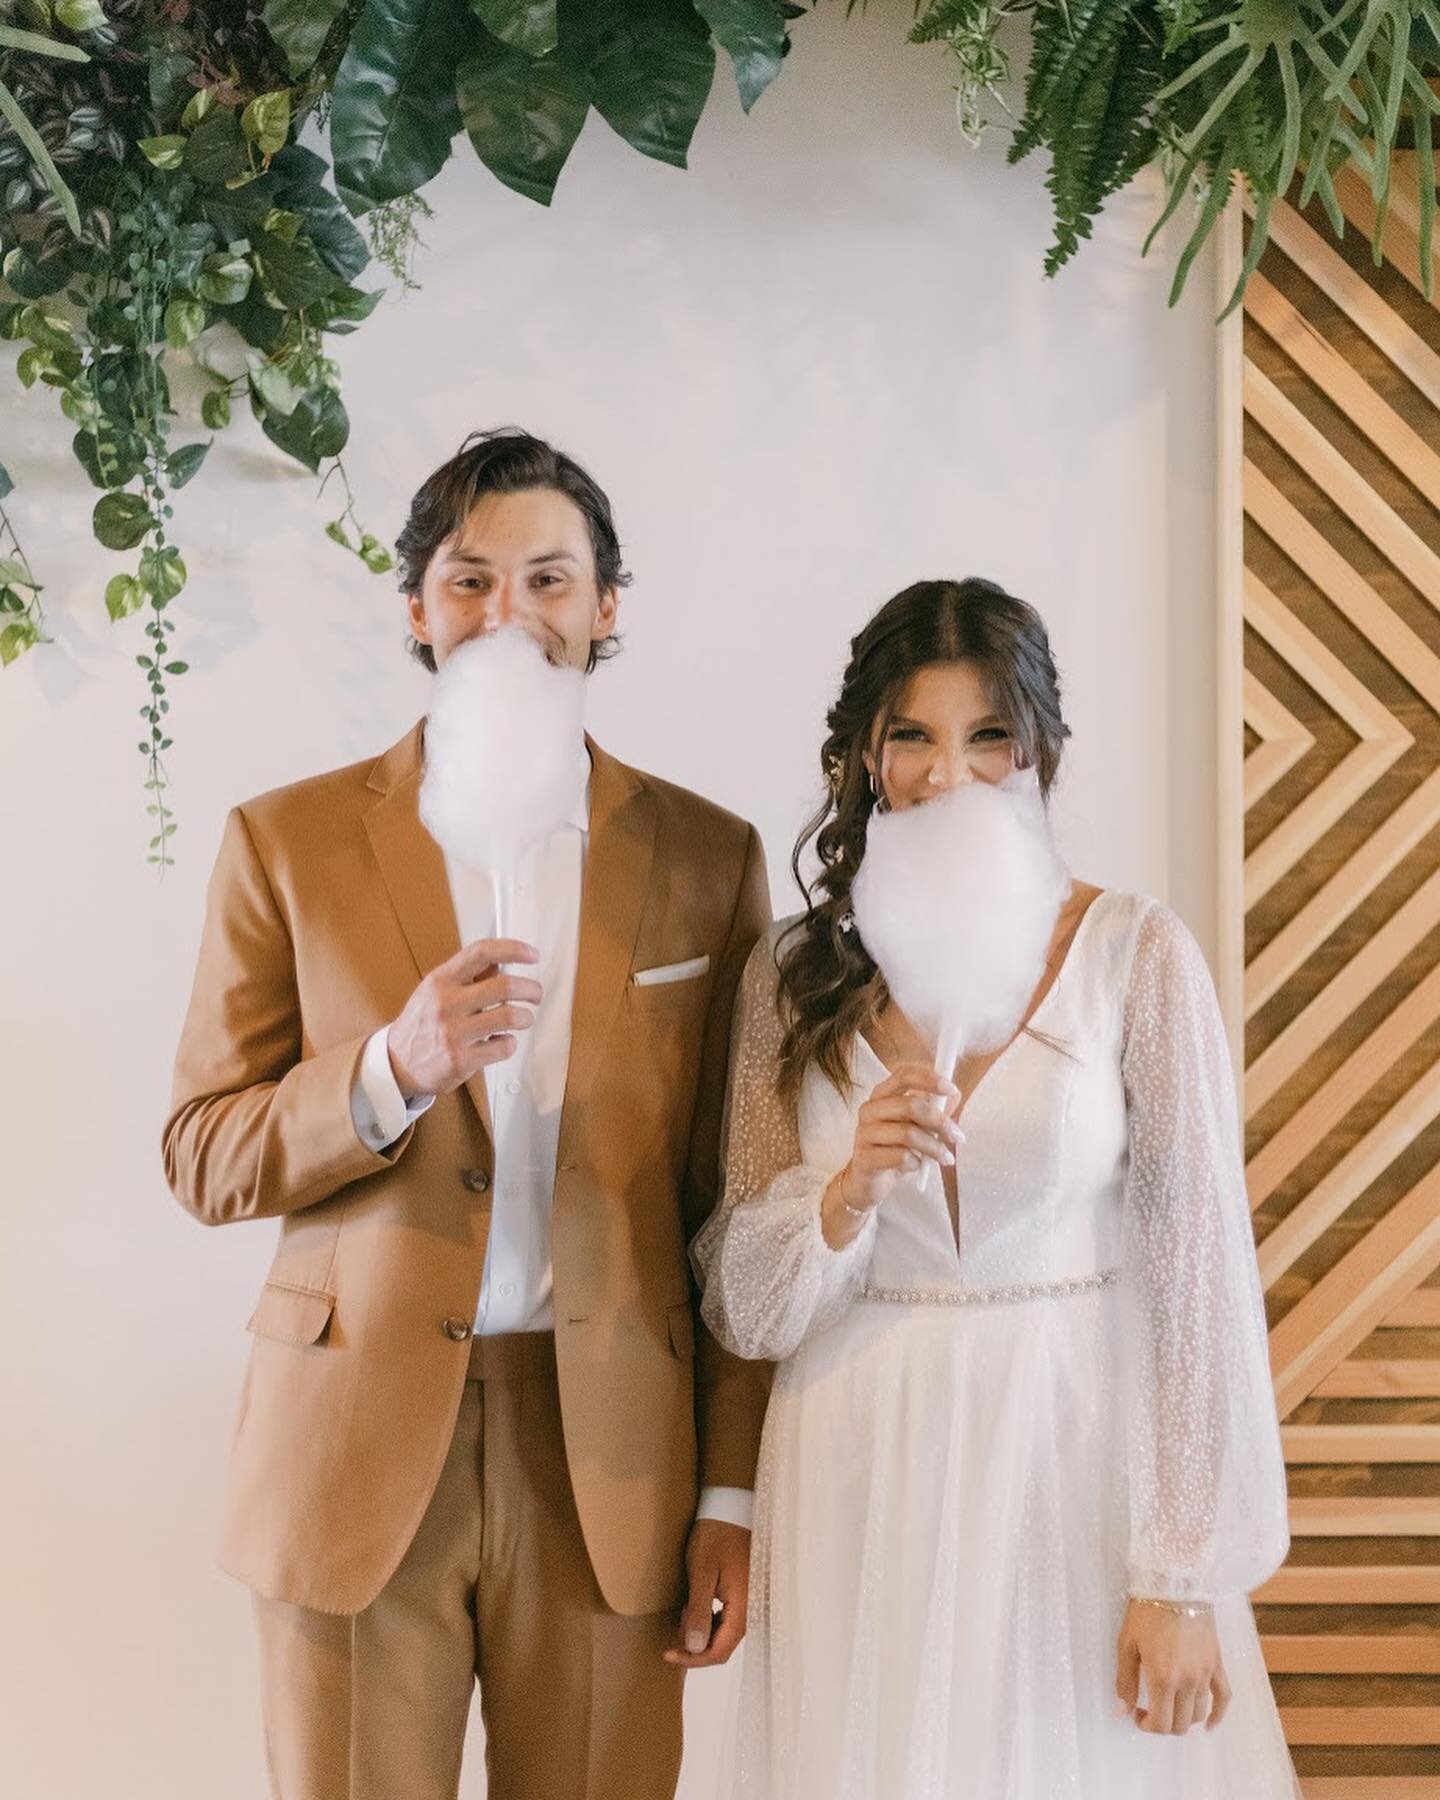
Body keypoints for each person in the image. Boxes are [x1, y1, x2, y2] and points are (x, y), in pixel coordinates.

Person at [163, 428, 771, 1800]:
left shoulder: (705, 853)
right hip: (353, 1451)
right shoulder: (289, 841)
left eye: (550, 580)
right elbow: (200, 1152)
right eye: (471, 581)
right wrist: (388, 1068)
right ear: (417, 612)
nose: (511, 616)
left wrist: (729, 1495)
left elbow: (733, 1206)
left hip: (611, 1456)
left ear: (608, 608)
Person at [693, 578, 1301, 1799]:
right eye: (911, 734)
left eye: (988, 737)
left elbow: (1199, 1287)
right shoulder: (790, 976)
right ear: (863, 750)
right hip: (858, 1462)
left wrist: (1181, 1573)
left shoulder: (1136, 954)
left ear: (1040, 751)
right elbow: (746, 1307)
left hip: (1066, 1456)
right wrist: (847, 1189)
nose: (946, 772)